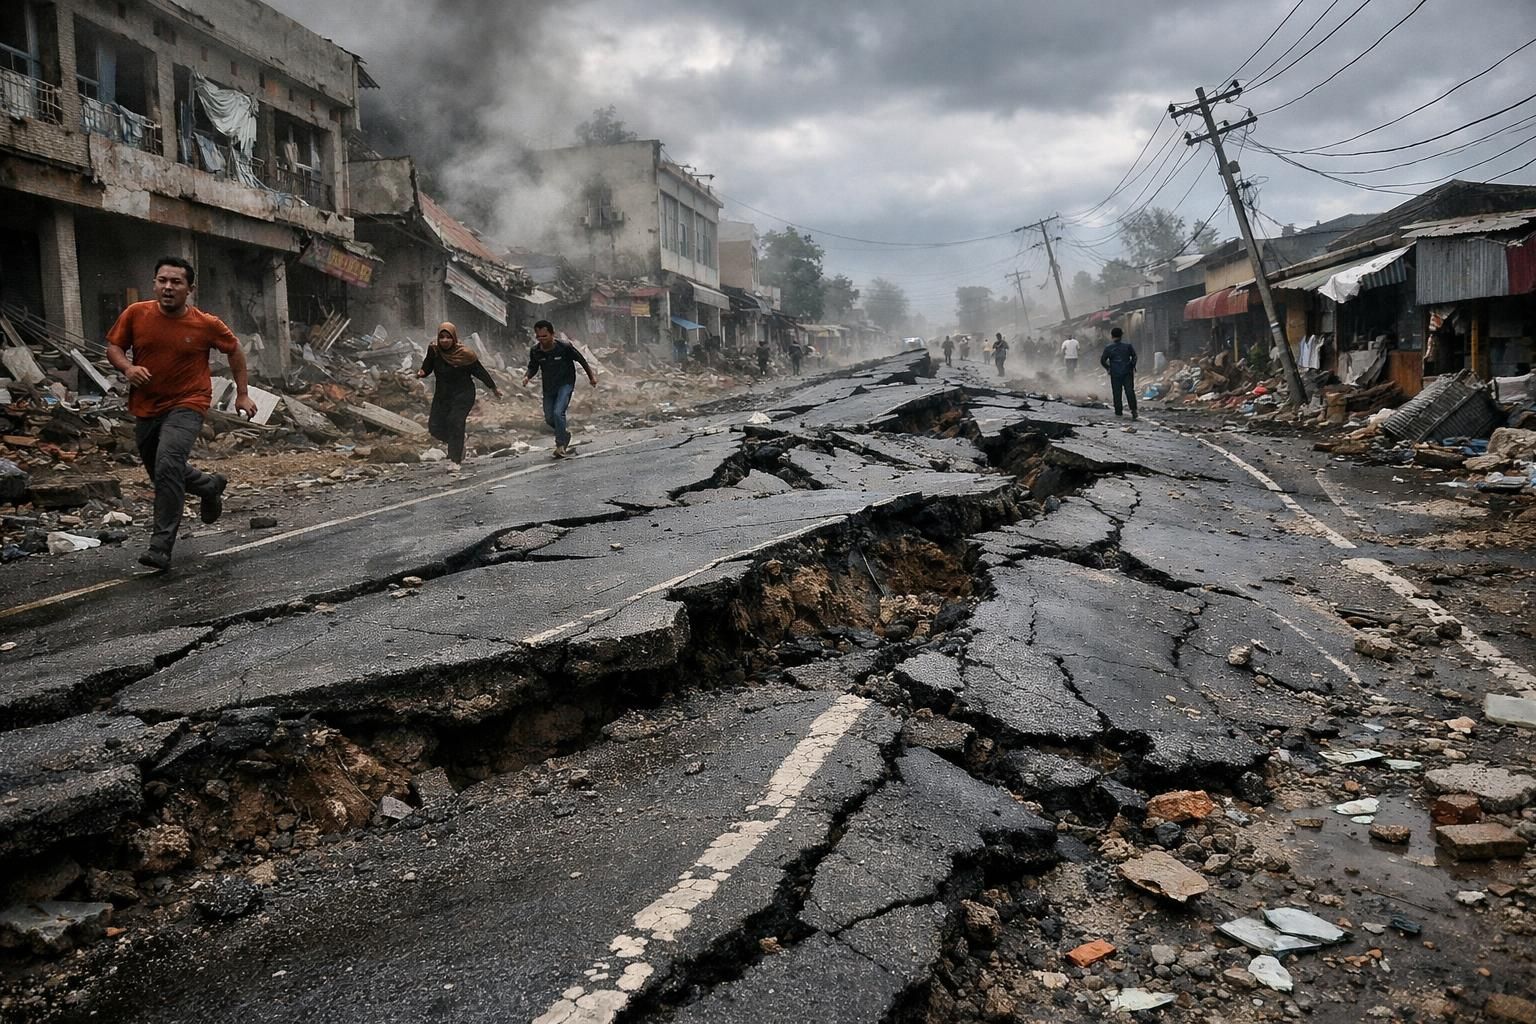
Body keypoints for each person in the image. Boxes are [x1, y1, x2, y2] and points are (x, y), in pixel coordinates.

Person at [105, 256, 256, 571]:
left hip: (189, 402)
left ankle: (160, 547)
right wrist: (128, 367)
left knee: (168, 464)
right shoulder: (135, 314)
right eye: (162, 280)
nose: (168, 287)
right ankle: (209, 486)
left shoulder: (206, 324)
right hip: (147, 405)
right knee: (162, 470)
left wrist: (242, 393)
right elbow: (114, 348)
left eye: (176, 282)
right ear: (155, 283)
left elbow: (235, 350)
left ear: (190, 289)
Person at [418, 322, 500, 474]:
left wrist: (493, 388)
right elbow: (428, 365)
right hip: (443, 394)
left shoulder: (465, 354)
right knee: (434, 427)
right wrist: (422, 372)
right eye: (441, 337)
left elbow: (480, 372)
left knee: (455, 421)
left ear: (454, 338)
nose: (444, 341)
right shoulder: (434, 350)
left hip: (463, 393)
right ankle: (458, 441)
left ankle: (455, 460)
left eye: (448, 337)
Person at [522, 319, 597, 458]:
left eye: (544, 336)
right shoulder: (535, 351)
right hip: (549, 388)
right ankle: (565, 435)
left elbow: (582, 360)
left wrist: (591, 377)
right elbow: (533, 366)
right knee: (549, 418)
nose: (541, 339)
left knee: (558, 413)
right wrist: (527, 377)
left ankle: (560, 446)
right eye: (538, 336)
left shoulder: (564, 347)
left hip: (565, 384)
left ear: (552, 334)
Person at [1100, 327, 1138, 419]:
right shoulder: (1128, 346)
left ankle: (1118, 411)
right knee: (1130, 391)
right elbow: (1134, 356)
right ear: (1121, 336)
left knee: (1117, 392)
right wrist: (1132, 365)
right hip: (1127, 372)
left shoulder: (1108, 348)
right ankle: (1133, 410)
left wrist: (1108, 368)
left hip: (1115, 373)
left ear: (1112, 336)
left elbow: (1102, 360)